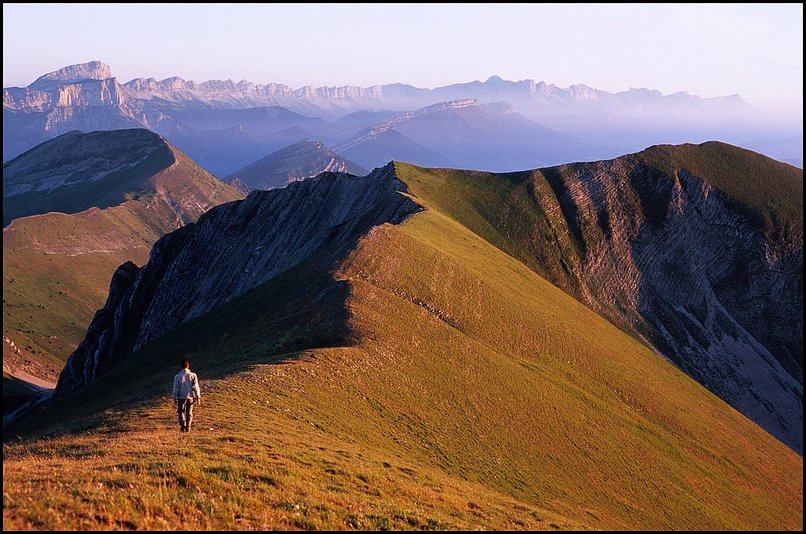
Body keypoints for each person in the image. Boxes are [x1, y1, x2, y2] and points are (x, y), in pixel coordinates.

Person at [172, 358, 202, 432]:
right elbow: (195, 386)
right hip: (190, 397)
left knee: (180, 411)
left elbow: (176, 388)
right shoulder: (193, 375)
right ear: (188, 365)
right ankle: (188, 427)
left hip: (181, 397)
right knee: (189, 413)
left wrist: (174, 398)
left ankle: (183, 424)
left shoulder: (177, 376)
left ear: (181, 366)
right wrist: (198, 396)